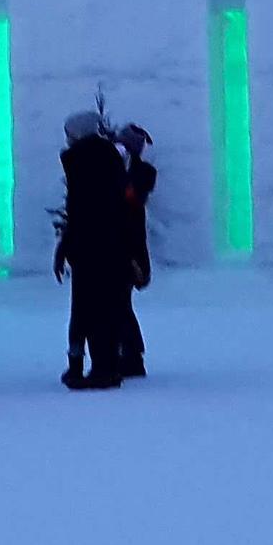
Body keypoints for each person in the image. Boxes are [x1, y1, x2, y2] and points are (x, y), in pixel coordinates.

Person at [54, 111, 134, 388]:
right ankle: (106, 364)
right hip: (110, 245)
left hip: (89, 247)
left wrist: (66, 245)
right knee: (104, 306)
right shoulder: (109, 160)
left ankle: (96, 368)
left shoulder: (81, 163)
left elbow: (79, 210)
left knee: (86, 307)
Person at [114, 123, 159, 379]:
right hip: (123, 244)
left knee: (122, 303)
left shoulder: (142, 173)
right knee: (120, 303)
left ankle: (132, 355)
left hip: (130, 247)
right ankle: (128, 353)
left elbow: (131, 199)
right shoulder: (127, 171)